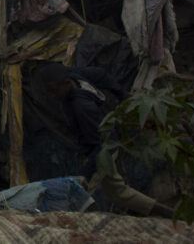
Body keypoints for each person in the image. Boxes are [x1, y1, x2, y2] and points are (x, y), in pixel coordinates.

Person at [33, 63, 174, 217]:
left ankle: (70, 226)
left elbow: (98, 145)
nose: (54, 96)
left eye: (54, 91)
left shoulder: (82, 107)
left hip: (102, 153)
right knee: (119, 192)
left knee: (77, 194)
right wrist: (121, 94)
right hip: (101, 146)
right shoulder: (76, 76)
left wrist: (85, 174)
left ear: (66, 84)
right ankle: (169, 213)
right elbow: (100, 73)